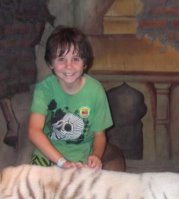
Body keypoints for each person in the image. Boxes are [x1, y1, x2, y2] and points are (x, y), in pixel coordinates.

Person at [28, 26, 125, 170]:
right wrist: (62, 162)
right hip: (48, 155)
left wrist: (96, 156)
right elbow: (34, 130)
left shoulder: (96, 90)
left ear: (85, 63)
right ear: (50, 63)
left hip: (83, 157)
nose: (69, 66)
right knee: (36, 185)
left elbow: (100, 134)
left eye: (76, 59)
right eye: (61, 59)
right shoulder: (44, 89)